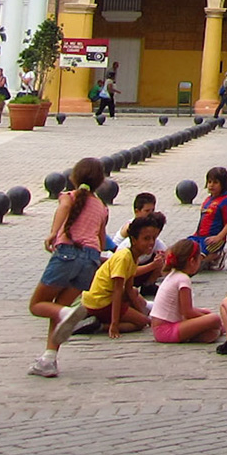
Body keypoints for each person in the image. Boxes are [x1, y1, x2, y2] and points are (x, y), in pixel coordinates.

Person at [27, 156, 109, 377]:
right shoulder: (102, 206)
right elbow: (101, 240)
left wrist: (54, 232)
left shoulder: (69, 196)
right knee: (58, 311)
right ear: (101, 182)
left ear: (74, 177)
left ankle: (69, 312)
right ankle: (48, 359)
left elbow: (63, 208)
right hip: (90, 259)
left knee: (37, 305)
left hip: (68, 253)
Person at [66, 210, 163, 339]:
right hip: (100, 301)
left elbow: (128, 289)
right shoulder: (124, 257)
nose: (151, 243)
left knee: (134, 293)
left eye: (153, 238)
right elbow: (118, 291)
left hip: (104, 297)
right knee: (141, 323)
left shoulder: (134, 257)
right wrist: (114, 324)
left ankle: (103, 318)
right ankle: (99, 325)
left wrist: (141, 313)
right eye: (146, 239)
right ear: (133, 240)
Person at [149, 239, 225, 344]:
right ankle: (218, 329)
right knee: (214, 319)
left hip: (161, 329)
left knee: (207, 315)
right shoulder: (183, 279)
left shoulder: (173, 274)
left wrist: (204, 314)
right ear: (192, 261)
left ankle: (210, 332)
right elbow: (187, 313)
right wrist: (208, 319)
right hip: (166, 330)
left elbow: (183, 309)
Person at [191, 167, 227, 272]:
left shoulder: (225, 202)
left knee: (201, 256)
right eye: (209, 182)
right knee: (187, 249)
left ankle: (216, 256)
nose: (211, 185)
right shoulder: (208, 200)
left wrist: (219, 237)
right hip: (199, 236)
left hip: (214, 239)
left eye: (215, 182)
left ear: (223, 185)